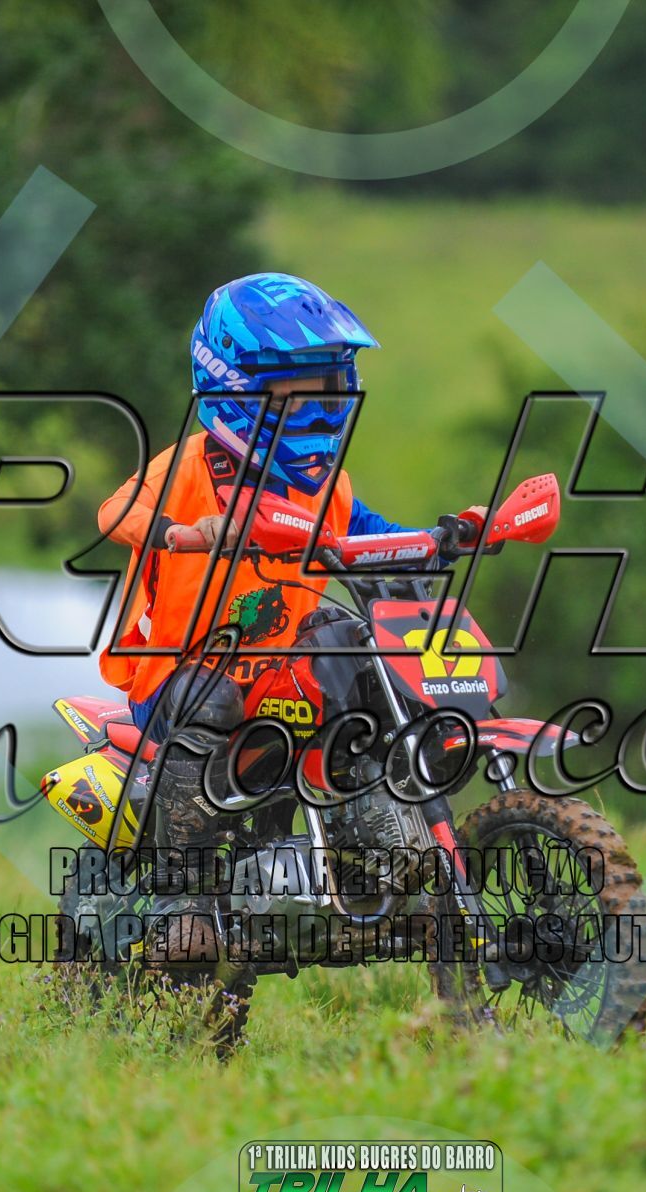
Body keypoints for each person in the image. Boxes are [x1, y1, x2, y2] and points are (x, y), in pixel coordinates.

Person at [96, 272, 473, 962]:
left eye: (326, 388)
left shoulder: (322, 484)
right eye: (295, 392)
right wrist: (185, 533)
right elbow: (115, 510)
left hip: (281, 673)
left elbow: (371, 533)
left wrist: (444, 537)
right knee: (208, 696)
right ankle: (185, 899)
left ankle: (386, 854)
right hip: (178, 673)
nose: (318, 407)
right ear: (235, 389)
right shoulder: (189, 468)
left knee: (358, 651)